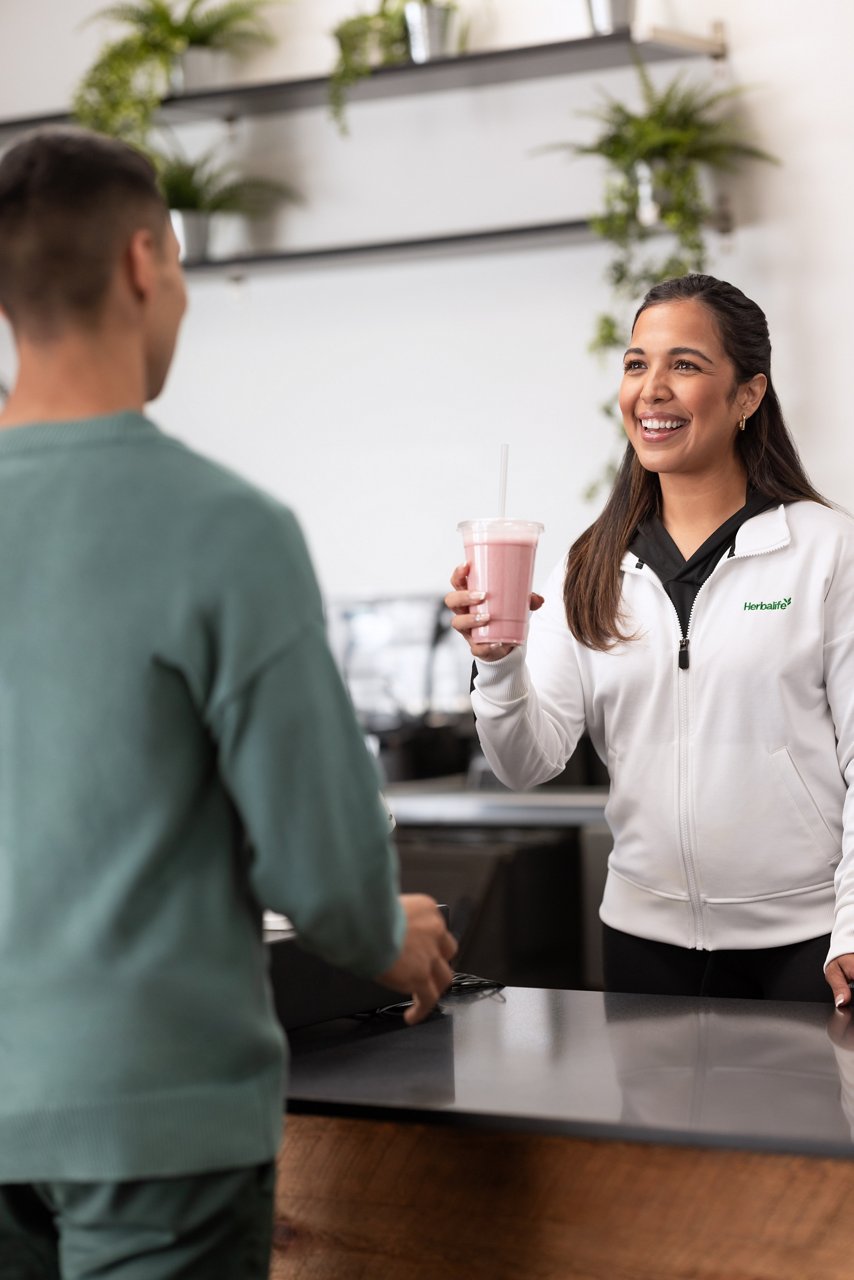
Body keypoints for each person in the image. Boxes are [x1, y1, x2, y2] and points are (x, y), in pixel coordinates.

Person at [0, 127, 456, 1279]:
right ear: (146, 262)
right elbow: (323, 867)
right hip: (155, 1114)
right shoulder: (224, 529)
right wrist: (384, 932)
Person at [447, 272, 854, 1008]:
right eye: (637, 364)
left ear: (748, 396)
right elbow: (525, 763)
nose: (651, 388)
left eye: (685, 365)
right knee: (650, 1133)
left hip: (808, 946)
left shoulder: (826, 550)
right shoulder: (593, 563)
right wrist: (499, 665)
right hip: (642, 947)